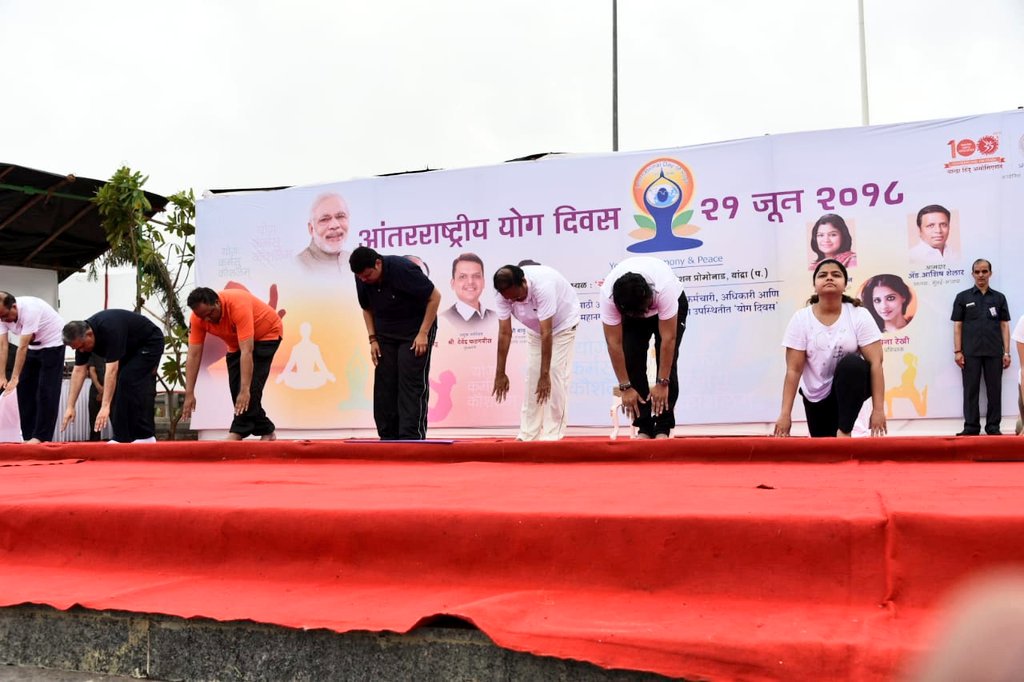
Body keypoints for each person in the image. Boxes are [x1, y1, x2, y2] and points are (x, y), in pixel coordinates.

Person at [774, 259, 886, 438]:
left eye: (836, 275)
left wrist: (878, 410)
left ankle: (845, 430)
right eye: (823, 275)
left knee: (853, 365)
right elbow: (793, 371)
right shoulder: (801, 319)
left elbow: (876, 364)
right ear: (814, 285)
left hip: (849, 393)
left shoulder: (859, 315)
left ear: (845, 285)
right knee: (825, 454)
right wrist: (785, 415)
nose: (829, 278)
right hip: (816, 399)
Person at [350, 246, 441, 440]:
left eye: (367, 275)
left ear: (378, 263)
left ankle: (411, 437)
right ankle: (388, 436)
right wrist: (372, 339)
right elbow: (367, 309)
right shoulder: (361, 277)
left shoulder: (403, 269)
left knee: (410, 382)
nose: (364, 280)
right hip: (385, 333)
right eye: (360, 277)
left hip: (415, 330)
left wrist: (423, 333)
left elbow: (434, 297)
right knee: (385, 382)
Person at [600, 256, 688, 439]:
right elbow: (613, 343)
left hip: (669, 309)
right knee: (631, 358)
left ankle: (663, 426)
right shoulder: (609, 296)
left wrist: (663, 382)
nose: (645, 315)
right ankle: (644, 427)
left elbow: (668, 340)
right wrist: (625, 387)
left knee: (667, 364)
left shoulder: (664, 289)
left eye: (645, 310)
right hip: (631, 307)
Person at [492, 263, 581, 441]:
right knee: (532, 377)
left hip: (562, 325)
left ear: (523, 282)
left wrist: (545, 374)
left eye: (517, 297)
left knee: (555, 374)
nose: (513, 302)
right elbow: (504, 332)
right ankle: (527, 433)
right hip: (534, 329)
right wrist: (500, 373)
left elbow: (546, 332)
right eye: (509, 299)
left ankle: (552, 433)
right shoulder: (503, 293)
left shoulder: (543, 286)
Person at [182, 287, 284, 441]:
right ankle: (267, 430)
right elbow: (193, 355)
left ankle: (238, 430)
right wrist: (189, 392)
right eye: (202, 317)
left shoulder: (237, 305)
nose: (207, 320)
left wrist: (245, 390)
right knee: (236, 390)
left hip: (267, 334)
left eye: (209, 314)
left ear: (217, 303)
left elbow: (247, 351)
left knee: (250, 389)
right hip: (236, 344)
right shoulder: (198, 318)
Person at [61, 310, 165, 443]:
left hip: (150, 342)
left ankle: (144, 436)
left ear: (89, 334)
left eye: (81, 347)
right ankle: (125, 436)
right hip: (129, 349)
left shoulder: (110, 329)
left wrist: (105, 406)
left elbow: (111, 372)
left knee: (127, 380)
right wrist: (70, 406)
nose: (81, 351)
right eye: (77, 349)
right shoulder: (82, 340)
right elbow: (79, 371)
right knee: (119, 387)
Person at [951, 258, 1010, 436]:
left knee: (994, 391)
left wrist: (1006, 352)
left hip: (994, 352)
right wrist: (958, 351)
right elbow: (958, 325)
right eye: (977, 272)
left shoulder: (999, 298)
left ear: (990, 273)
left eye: (984, 271)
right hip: (970, 353)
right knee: (970, 391)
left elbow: (1004, 325)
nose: (981, 275)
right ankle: (971, 428)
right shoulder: (962, 297)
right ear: (972, 274)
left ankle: (993, 427)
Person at [0, 292, 65, 443]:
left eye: (5, 316)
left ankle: (41, 437)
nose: (4, 320)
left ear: (14, 306)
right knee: (24, 390)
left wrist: (15, 377)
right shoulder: (1, 315)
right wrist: (2, 376)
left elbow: (22, 347)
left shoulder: (31, 309)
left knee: (46, 390)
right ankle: (29, 435)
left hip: (53, 344)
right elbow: (3, 346)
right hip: (34, 347)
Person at [296, 192, 351, 274]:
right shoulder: (297, 266)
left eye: (340, 216)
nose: (335, 225)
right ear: (311, 229)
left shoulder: (354, 260)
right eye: (324, 219)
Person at [440, 253, 494, 327]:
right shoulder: (442, 321)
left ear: (483, 282)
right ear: (453, 283)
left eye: (476, 276)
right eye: (463, 277)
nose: (470, 282)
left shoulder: (497, 318)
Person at [86, 353, 106, 441]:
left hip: (112, 389)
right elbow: (92, 370)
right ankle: (94, 442)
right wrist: (99, 388)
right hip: (96, 390)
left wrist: (106, 390)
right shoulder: (94, 353)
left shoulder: (113, 351)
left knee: (116, 419)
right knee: (94, 420)